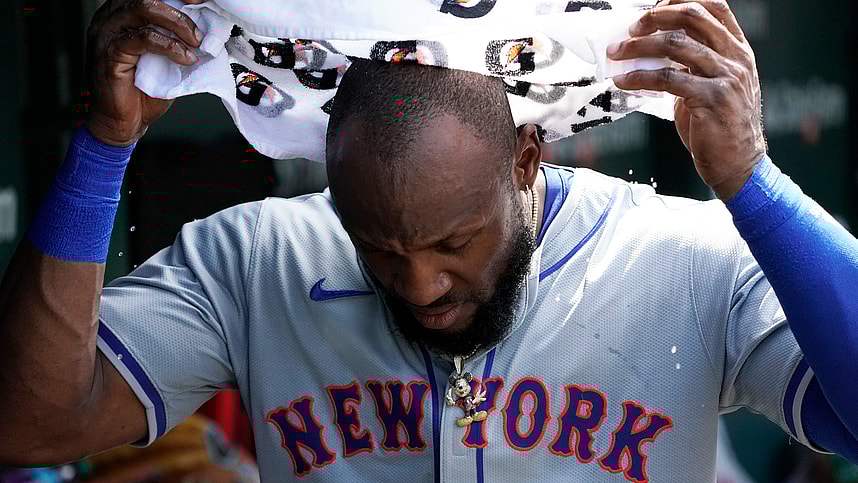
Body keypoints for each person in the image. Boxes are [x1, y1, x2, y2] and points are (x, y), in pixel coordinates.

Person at [0, 0, 856, 481]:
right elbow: (31, 424)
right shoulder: (256, 261)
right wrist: (100, 154)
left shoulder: (684, 256)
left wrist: (756, 185)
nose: (418, 284)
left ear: (525, 157)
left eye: (454, 239)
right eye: (376, 241)